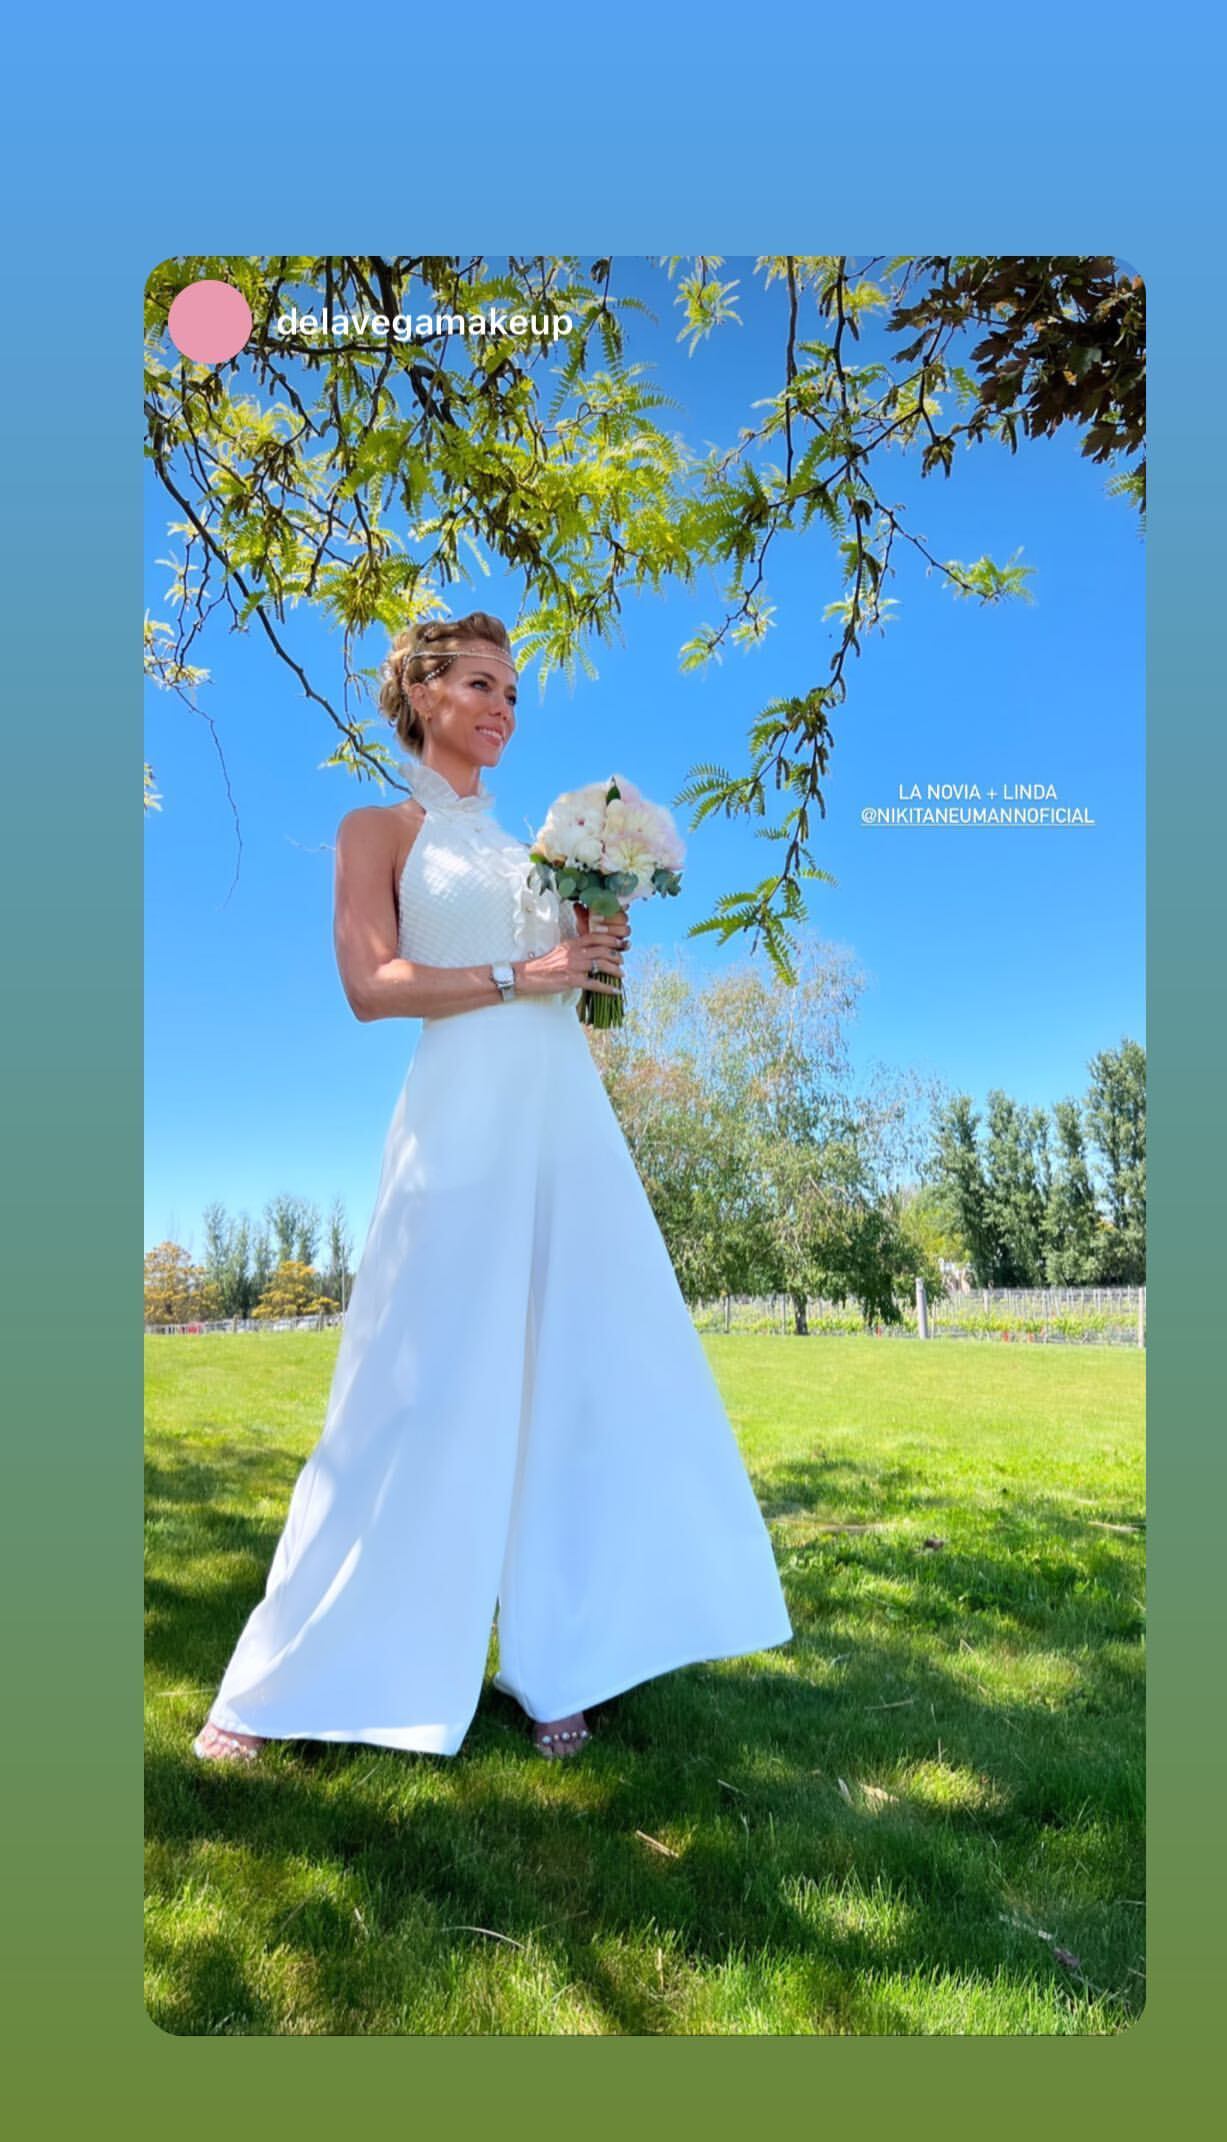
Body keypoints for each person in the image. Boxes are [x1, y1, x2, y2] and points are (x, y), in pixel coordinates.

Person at [193, 612, 793, 1766]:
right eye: (479, 683)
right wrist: (530, 968)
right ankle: (282, 1678)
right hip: (457, 1126)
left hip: (561, 1125)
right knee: (402, 1389)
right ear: (421, 695)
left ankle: (557, 1654)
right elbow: (373, 984)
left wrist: (592, 953)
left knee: (572, 1384)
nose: (502, 707)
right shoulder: (375, 827)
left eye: (513, 691)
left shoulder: (540, 851)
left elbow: (557, 995)